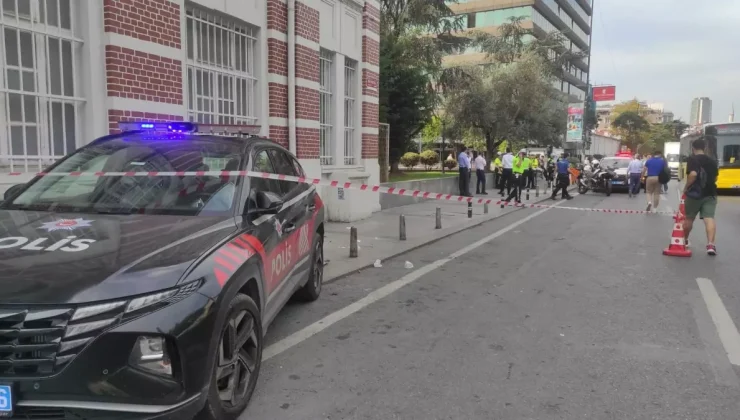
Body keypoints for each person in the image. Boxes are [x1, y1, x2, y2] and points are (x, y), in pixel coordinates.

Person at [683, 137, 718, 255]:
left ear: (693, 148)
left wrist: (686, 187)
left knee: (689, 218)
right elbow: (715, 177)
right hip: (710, 193)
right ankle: (711, 245)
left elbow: (693, 174)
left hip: (695, 194)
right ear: (705, 148)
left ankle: (685, 240)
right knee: (709, 218)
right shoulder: (712, 160)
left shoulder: (692, 159)